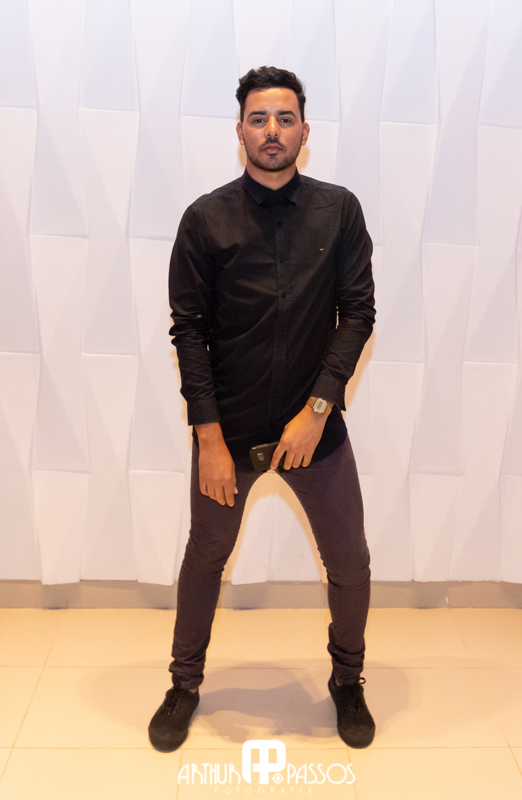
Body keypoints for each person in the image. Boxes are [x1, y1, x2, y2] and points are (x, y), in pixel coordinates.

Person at [148, 66, 376, 753]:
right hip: (229, 428)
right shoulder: (205, 218)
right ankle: (184, 684)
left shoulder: (339, 211)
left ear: (304, 132)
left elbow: (357, 314)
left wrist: (316, 411)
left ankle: (347, 680)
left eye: (284, 118)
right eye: (258, 118)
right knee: (205, 557)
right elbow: (189, 332)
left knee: (350, 561)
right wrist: (209, 440)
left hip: (314, 430)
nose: (271, 131)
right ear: (240, 130)